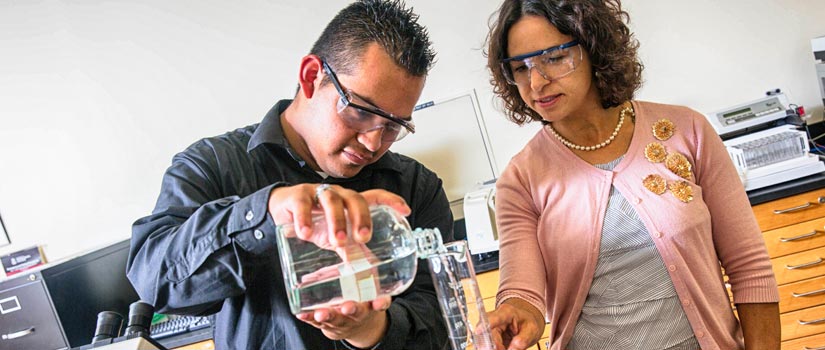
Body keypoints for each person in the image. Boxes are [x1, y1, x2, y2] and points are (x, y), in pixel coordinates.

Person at [126, 1, 454, 349]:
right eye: (360, 111)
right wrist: (267, 215)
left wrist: (369, 329)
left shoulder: (416, 188)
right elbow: (157, 281)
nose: (374, 142)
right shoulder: (212, 164)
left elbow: (442, 318)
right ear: (312, 76)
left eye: (393, 125)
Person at [483, 1, 780, 349]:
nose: (536, 82)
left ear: (594, 46)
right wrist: (519, 312)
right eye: (520, 67)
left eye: (553, 58)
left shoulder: (689, 131)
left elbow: (750, 268)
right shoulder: (520, 180)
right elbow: (521, 291)